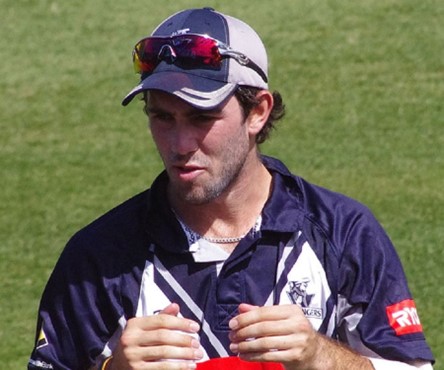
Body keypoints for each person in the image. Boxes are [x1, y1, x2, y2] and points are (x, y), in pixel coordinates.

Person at [28, 7, 435, 370]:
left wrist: (321, 357)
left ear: (258, 111)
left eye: (201, 118)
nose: (179, 144)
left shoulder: (343, 232)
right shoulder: (100, 256)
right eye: (162, 117)